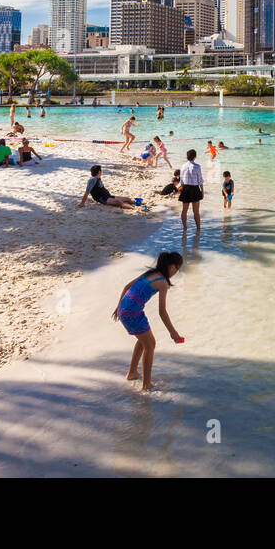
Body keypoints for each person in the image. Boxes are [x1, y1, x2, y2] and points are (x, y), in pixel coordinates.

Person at [112, 251, 184, 392]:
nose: (176, 272)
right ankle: (146, 385)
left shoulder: (149, 274)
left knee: (143, 340)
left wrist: (118, 307)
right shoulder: (163, 283)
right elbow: (162, 312)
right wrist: (173, 333)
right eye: (177, 268)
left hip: (124, 309)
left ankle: (132, 373)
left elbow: (126, 286)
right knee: (151, 344)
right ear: (172, 267)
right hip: (132, 313)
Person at [178, 149, 204, 231]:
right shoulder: (197, 166)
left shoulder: (183, 166)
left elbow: (181, 180)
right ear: (195, 156)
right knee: (196, 211)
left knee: (184, 210)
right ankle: (198, 229)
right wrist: (202, 191)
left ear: (187, 156)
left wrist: (180, 190)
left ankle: (185, 228)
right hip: (194, 189)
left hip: (185, 188)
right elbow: (200, 180)